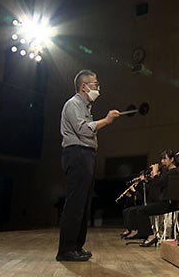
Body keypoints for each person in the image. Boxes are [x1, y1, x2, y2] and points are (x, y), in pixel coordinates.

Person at [56, 70, 121, 262]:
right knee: (75, 204)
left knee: (84, 204)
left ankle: (77, 246)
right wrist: (107, 121)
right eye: (95, 84)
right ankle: (66, 249)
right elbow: (83, 130)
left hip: (86, 155)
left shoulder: (86, 107)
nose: (98, 88)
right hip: (76, 154)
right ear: (84, 87)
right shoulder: (73, 104)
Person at [124, 150, 179, 247]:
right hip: (165, 202)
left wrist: (155, 173)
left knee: (141, 211)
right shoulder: (169, 172)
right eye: (162, 159)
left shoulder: (174, 172)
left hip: (170, 203)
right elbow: (158, 185)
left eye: (164, 159)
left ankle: (150, 236)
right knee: (139, 210)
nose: (162, 161)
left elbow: (159, 184)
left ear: (172, 160)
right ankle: (147, 235)